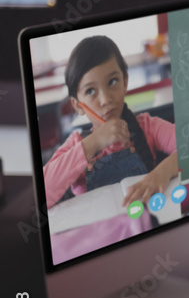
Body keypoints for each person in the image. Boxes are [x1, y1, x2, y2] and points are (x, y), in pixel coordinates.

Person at [44, 35, 177, 210]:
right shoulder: (77, 144)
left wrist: (161, 173)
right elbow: (43, 193)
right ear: (78, 105)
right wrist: (94, 142)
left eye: (113, 82)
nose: (106, 99)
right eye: (90, 91)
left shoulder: (147, 126)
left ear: (125, 82)